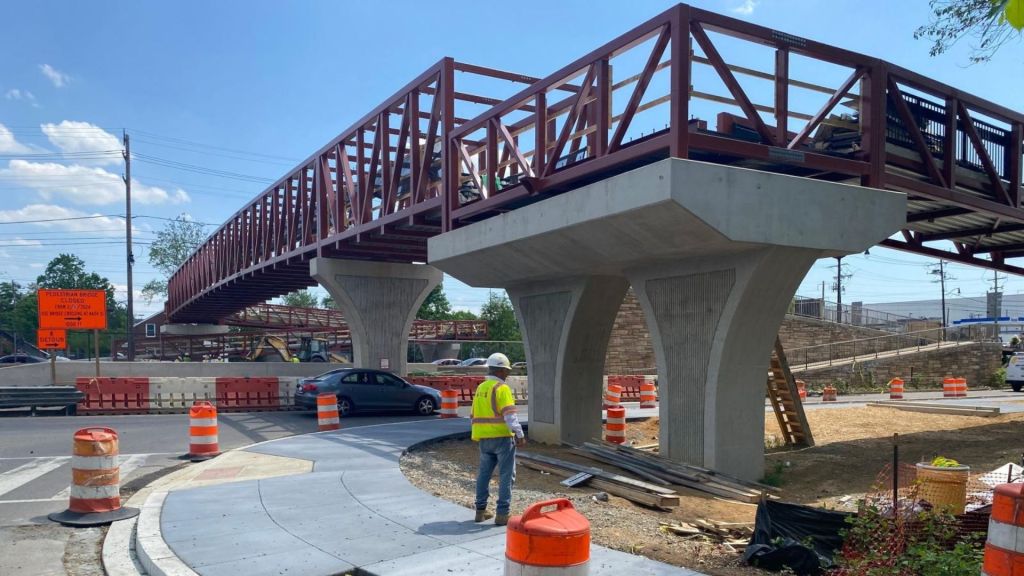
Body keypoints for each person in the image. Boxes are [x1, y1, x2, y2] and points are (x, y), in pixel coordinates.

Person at [471, 352, 525, 525]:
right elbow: (510, 416)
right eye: (507, 371)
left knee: (484, 474)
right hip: (502, 438)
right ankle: (502, 514)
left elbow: (473, 414)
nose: (508, 375)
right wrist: (520, 434)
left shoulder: (481, 388)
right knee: (506, 475)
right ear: (501, 371)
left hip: (484, 439)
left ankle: (480, 511)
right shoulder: (502, 389)